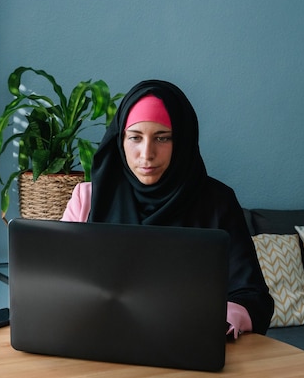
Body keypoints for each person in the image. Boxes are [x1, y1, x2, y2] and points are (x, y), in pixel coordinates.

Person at [61, 79, 274, 338]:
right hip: (99, 342)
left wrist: (219, 322)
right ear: (121, 140)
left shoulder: (217, 202)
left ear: (181, 141)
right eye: (135, 138)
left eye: (162, 138)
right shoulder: (88, 199)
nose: (146, 154)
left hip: (187, 345)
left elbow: (252, 296)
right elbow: (62, 285)